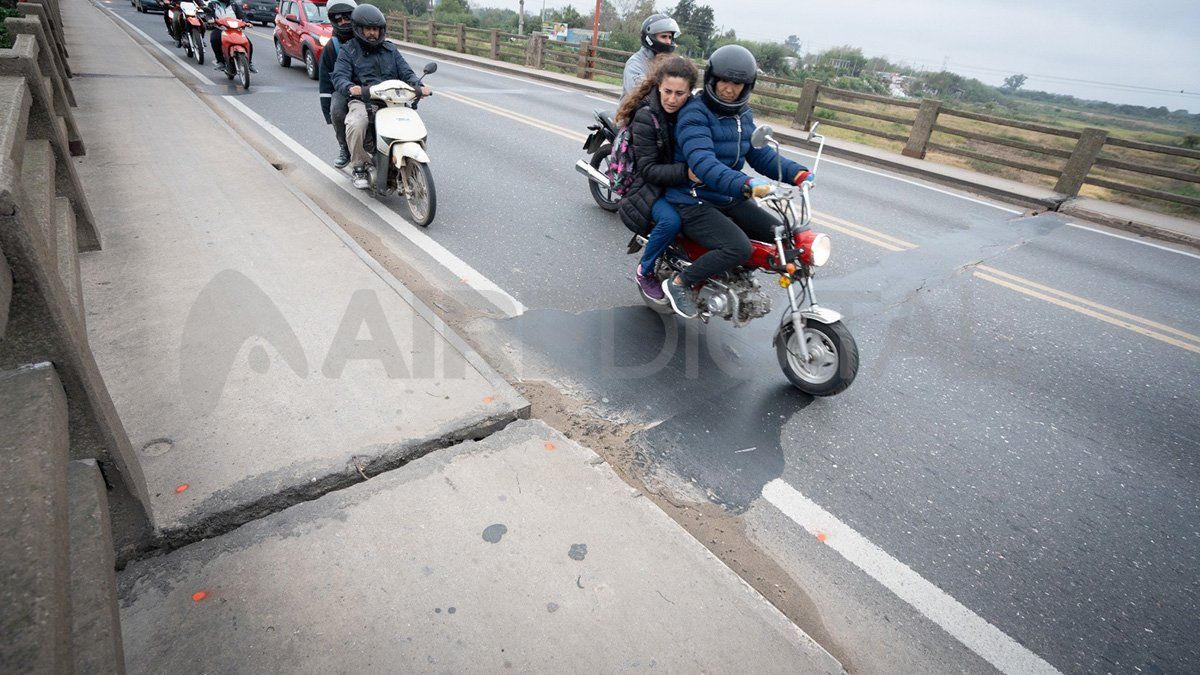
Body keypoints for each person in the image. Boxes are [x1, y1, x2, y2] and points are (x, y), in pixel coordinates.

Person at [662, 44, 811, 319]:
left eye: (738, 84)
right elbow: (703, 163)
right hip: (694, 199)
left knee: (783, 236)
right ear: (712, 80)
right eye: (724, 82)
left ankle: (736, 276)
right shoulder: (694, 114)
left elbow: (759, 153)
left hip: (728, 197)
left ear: (747, 86)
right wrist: (747, 184)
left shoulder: (742, 114)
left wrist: (797, 173)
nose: (729, 90)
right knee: (738, 247)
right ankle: (680, 282)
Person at [614, 56, 699, 302]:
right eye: (667, 92)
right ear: (658, 86)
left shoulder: (693, 111)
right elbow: (649, 170)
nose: (672, 99)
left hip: (679, 183)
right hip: (649, 187)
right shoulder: (646, 116)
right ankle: (645, 269)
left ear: (689, 92)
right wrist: (686, 173)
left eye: (680, 93)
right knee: (671, 221)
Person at [332, 4, 431, 189]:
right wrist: (350, 87)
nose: (372, 33)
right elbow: (339, 76)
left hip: (393, 100)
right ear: (359, 29)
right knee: (356, 123)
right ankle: (359, 166)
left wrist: (418, 86)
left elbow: (406, 72)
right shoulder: (349, 50)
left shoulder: (390, 49)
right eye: (368, 29)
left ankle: (407, 159)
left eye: (375, 29)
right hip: (363, 99)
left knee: (414, 123)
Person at [318, 0, 358, 168]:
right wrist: (328, 112)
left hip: (372, 87)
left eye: (347, 17)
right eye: (338, 19)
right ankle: (344, 147)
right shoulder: (332, 46)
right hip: (344, 89)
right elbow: (325, 81)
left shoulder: (370, 36)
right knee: (337, 110)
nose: (343, 22)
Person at [620, 14, 679, 102]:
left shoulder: (670, 63)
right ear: (649, 38)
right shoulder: (635, 63)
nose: (668, 41)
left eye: (670, 37)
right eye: (663, 36)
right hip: (632, 113)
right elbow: (639, 94)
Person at [204, 0, 255, 73]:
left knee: (248, 43)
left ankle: (249, 63)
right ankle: (220, 62)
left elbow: (241, 15)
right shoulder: (213, 4)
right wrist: (210, 20)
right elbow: (208, 14)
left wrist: (247, 22)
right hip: (220, 28)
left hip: (235, 29)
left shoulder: (233, 4)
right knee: (214, 39)